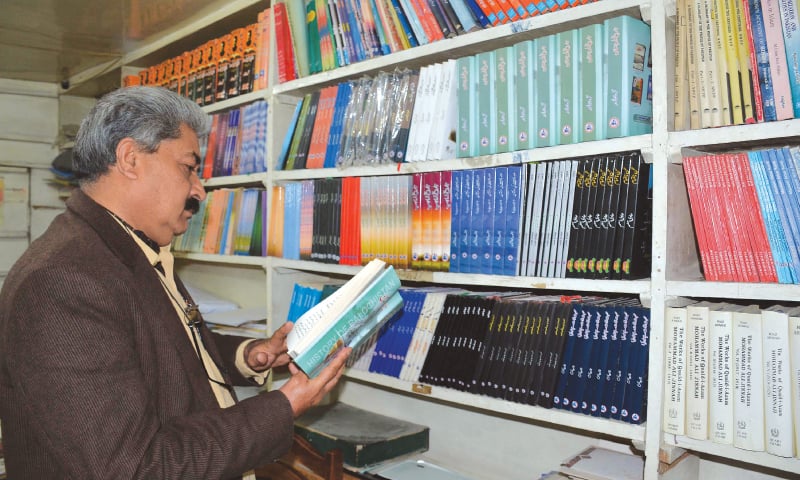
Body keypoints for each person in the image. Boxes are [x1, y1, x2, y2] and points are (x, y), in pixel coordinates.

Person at [0, 86, 350, 479]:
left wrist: (248, 355)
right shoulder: (63, 282)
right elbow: (135, 469)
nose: (199, 190)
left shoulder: (121, 248)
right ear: (130, 159)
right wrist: (285, 405)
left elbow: (153, 343)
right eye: (188, 167)